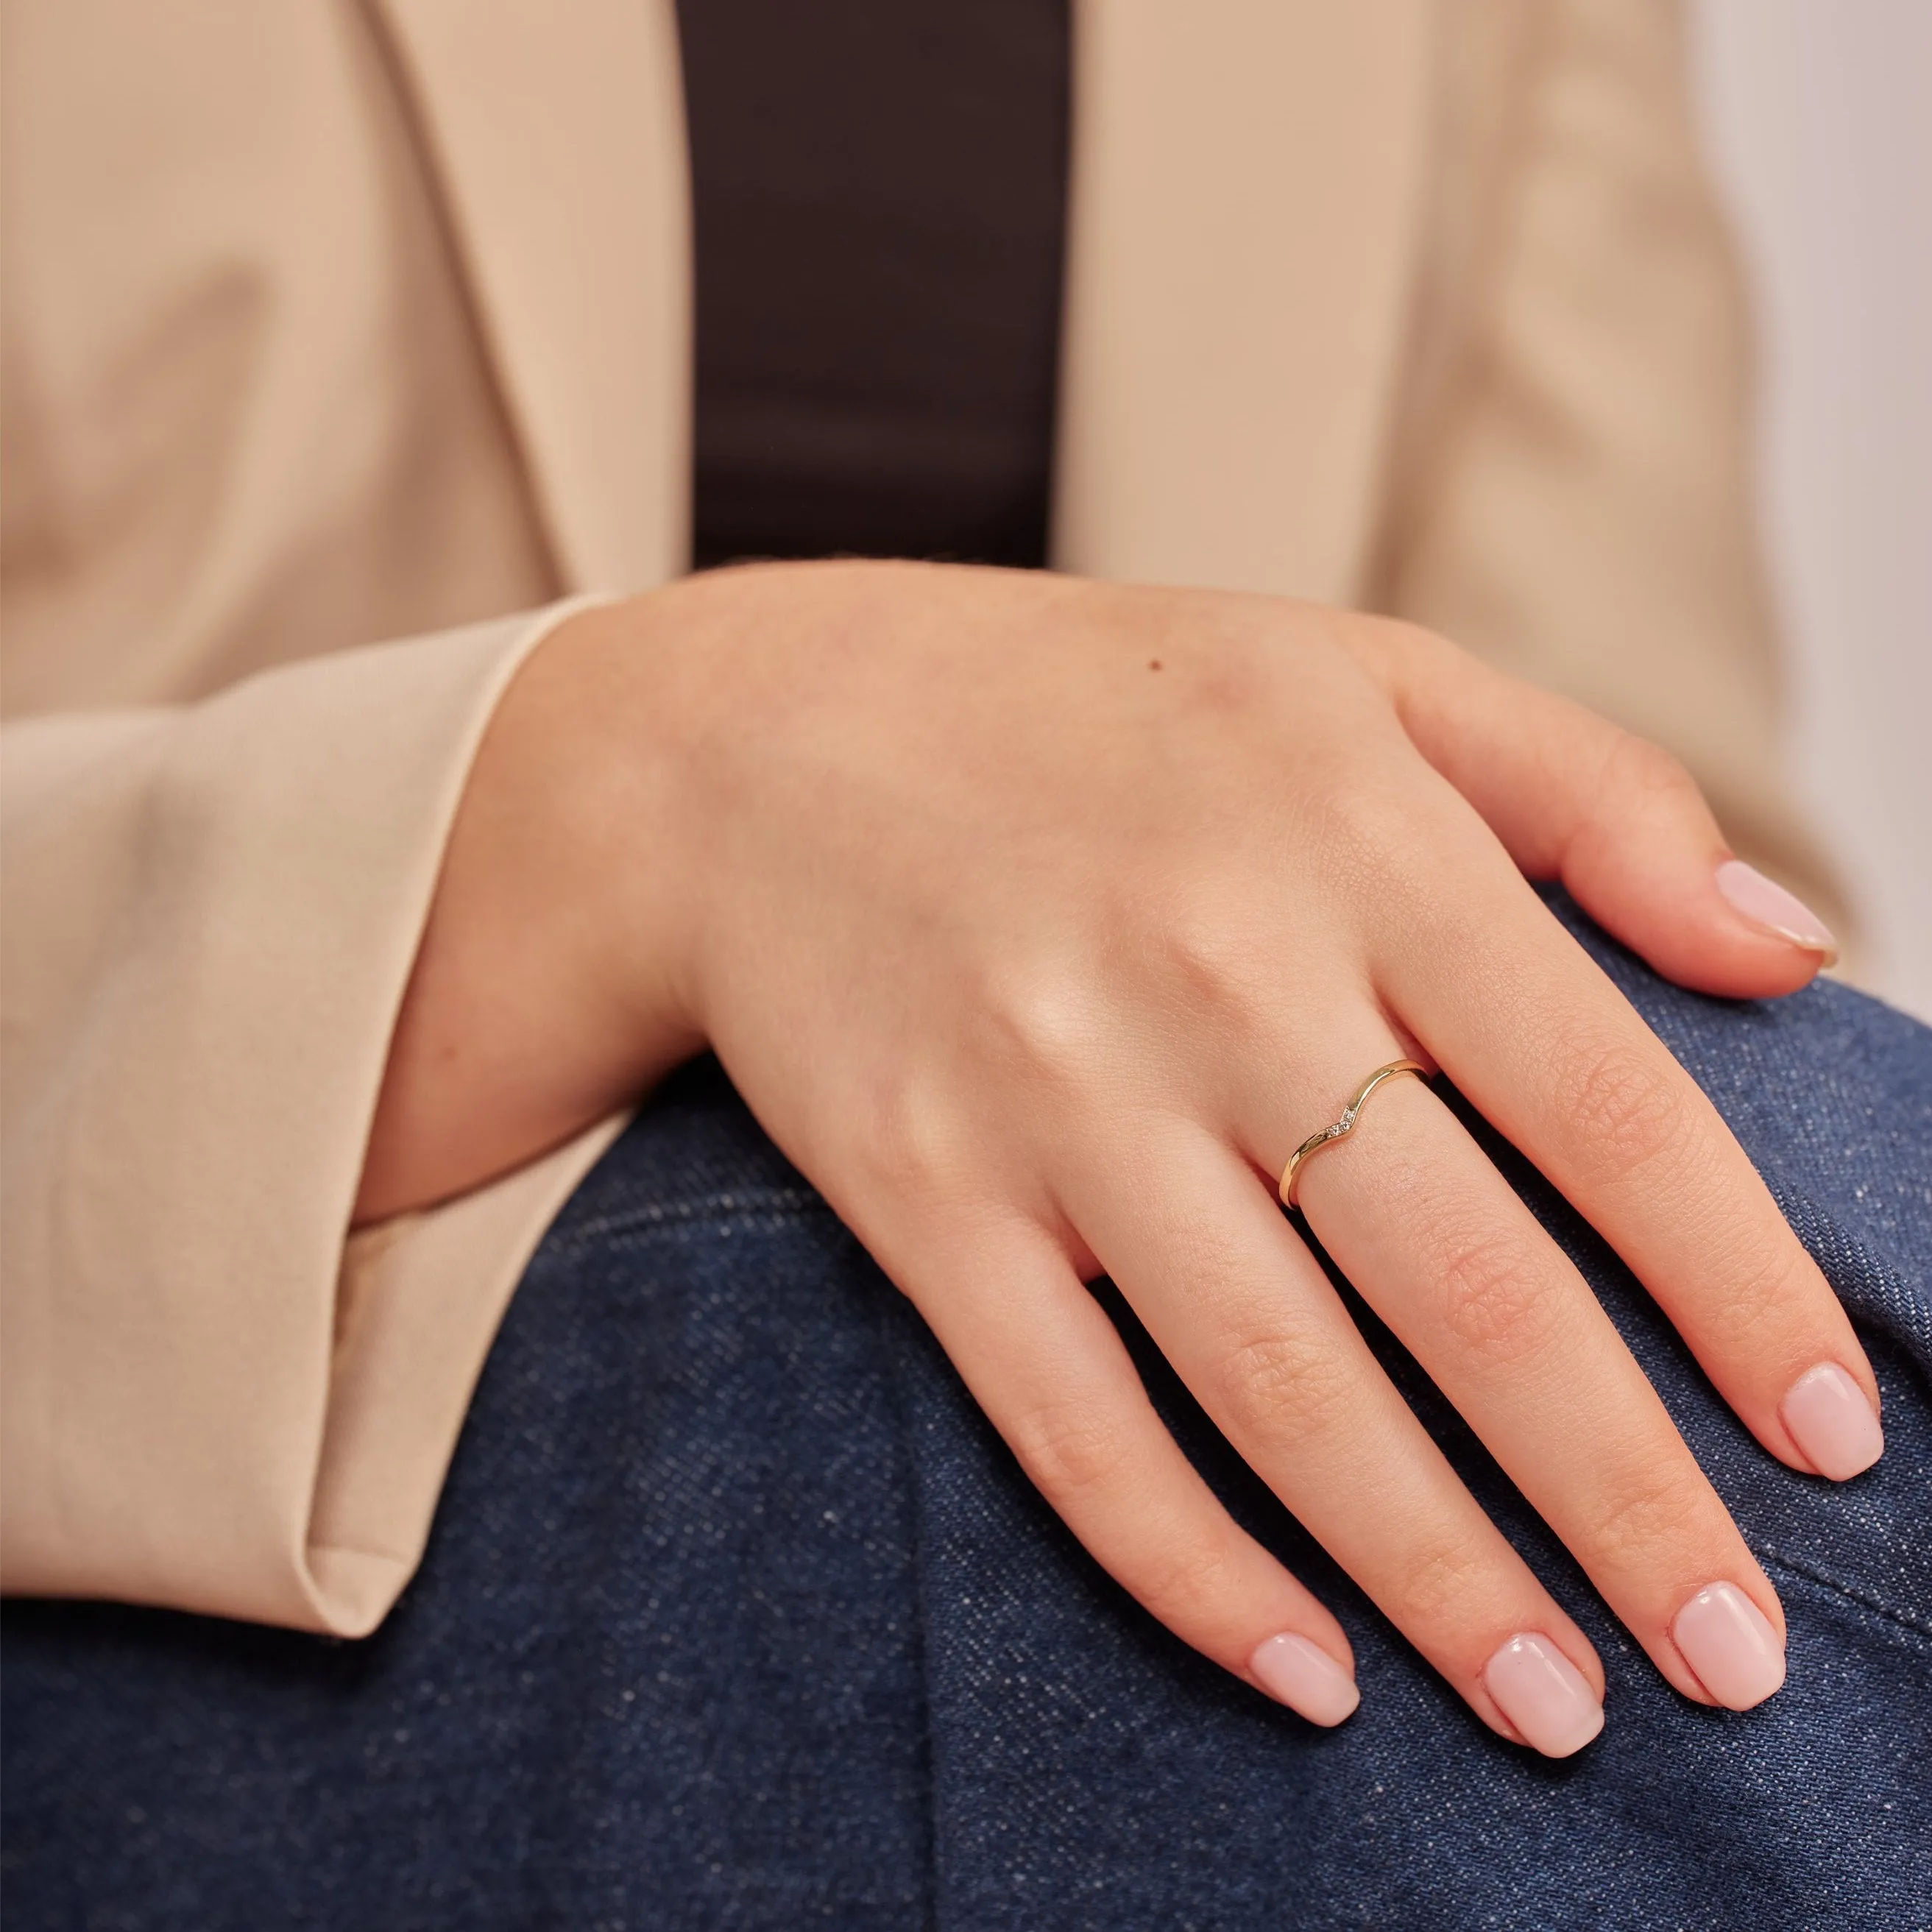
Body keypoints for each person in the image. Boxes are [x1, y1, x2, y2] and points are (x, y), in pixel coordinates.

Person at [3, 1, 1925, 1924]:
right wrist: (670, 769)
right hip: (216, 1444)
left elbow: (1621, 839)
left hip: (1138, 1348)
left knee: (1721, 1297)